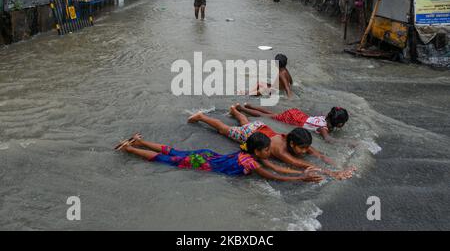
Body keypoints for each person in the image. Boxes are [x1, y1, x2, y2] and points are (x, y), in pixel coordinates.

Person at [187, 105, 355, 180]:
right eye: (302, 148)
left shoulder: (296, 138)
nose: (305, 151)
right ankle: (202, 117)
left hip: (262, 128)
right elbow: (300, 163)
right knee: (225, 130)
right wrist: (331, 173)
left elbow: (317, 154)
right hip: (251, 133)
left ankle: (235, 111)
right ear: (292, 145)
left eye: (305, 148)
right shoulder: (281, 150)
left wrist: (338, 165)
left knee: (245, 122)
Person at [115, 133, 323, 182]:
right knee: (166, 159)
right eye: (267, 150)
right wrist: (300, 178)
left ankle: (139, 141)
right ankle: (130, 148)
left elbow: (277, 169)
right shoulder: (252, 161)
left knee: (174, 151)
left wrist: (302, 171)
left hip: (206, 156)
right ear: (258, 151)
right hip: (203, 161)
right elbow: (272, 176)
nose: (270, 152)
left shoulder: (248, 153)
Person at [236, 104, 349, 144]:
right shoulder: (323, 128)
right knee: (267, 117)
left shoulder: (325, 118)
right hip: (295, 119)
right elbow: (328, 139)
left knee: (274, 115)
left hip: (298, 115)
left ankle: (250, 106)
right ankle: (242, 108)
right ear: (339, 124)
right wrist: (347, 142)